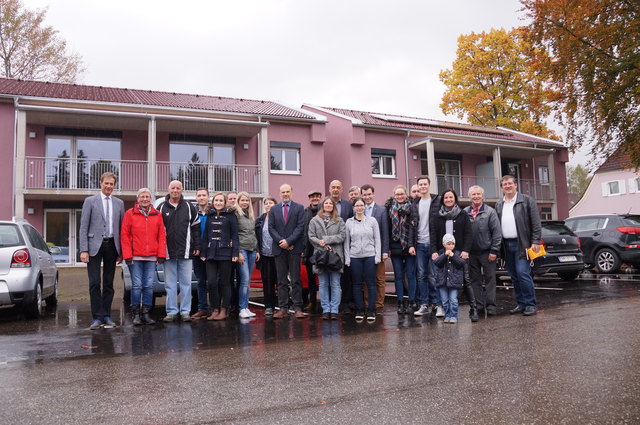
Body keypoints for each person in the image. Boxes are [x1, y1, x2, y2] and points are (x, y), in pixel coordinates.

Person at [79, 171, 124, 330]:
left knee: (109, 283)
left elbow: (121, 228)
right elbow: (83, 226)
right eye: (106, 183)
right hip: (94, 246)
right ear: (101, 183)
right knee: (94, 282)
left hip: (112, 245)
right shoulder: (90, 201)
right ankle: (97, 317)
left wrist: (121, 252)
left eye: (112, 184)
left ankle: (106, 315)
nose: (109, 186)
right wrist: (83, 249)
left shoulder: (119, 203)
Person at [495, 175, 542, 316]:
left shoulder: (527, 201)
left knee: (523, 273)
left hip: (523, 244)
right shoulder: (499, 204)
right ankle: (521, 304)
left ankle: (530, 304)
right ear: (502, 188)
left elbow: (535, 223)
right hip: (506, 245)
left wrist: (535, 241)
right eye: (504, 184)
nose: (507, 186)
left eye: (510, 183)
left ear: (516, 185)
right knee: (514, 276)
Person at [120, 188, 166, 326]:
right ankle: (136, 314)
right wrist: (127, 255)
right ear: (137, 199)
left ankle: (146, 313)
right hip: (135, 258)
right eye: (142, 197)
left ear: (151, 199)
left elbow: (161, 236)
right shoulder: (130, 213)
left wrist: (161, 255)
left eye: (147, 196)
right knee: (137, 285)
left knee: (148, 285)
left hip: (152, 257)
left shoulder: (157, 214)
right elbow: (125, 235)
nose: (145, 199)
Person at [430, 188, 477, 322]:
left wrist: (466, 250)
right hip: (442, 253)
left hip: (460, 253)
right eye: (446, 198)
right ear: (442, 200)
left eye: (451, 197)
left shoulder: (462, 215)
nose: (448, 200)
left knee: (466, 281)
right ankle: (447, 312)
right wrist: (434, 251)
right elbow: (433, 236)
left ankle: (473, 308)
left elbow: (469, 234)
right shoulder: (437, 216)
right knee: (443, 280)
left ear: (455, 199)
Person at [157, 180, 201, 322]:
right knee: (169, 284)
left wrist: (197, 246)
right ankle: (171, 312)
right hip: (168, 253)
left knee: (186, 284)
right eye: (172, 188)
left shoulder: (189, 207)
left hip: (186, 252)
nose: (175, 190)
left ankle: (185, 312)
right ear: (168, 189)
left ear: (182, 190)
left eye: (178, 188)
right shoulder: (161, 207)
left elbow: (196, 228)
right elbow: (156, 230)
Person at [269, 184, 306, 319]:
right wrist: (282, 242)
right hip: (279, 249)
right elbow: (271, 228)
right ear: (279, 193)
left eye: (287, 191)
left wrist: (289, 242)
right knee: (281, 280)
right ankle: (283, 308)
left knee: (296, 279)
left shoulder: (299, 208)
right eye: (283, 192)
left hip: (294, 249)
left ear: (292, 192)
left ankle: (297, 308)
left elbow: (300, 227)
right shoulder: (273, 209)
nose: (285, 194)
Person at [464, 185, 502, 316]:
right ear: (469, 197)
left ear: (483, 196)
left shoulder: (490, 212)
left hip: (487, 252)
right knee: (474, 281)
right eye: (473, 194)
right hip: (471, 254)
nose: (476, 197)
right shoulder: (465, 212)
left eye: (478, 194)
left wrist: (494, 251)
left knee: (490, 280)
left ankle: (491, 306)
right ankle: (478, 306)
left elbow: (497, 233)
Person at [201, 192, 239, 321]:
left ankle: (224, 309)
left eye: (220, 201)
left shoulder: (231, 216)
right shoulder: (210, 215)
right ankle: (215, 309)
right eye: (216, 200)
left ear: (224, 202)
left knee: (225, 282)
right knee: (211, 282)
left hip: (226, 253)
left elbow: (235, 236)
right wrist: (203, 253)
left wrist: (235, 253)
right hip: (211, 253)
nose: (218, 203)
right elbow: (206, 235)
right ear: (213, 202)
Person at [308, 197, 346, 320]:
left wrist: (327, 240)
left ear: (333, 207)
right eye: (326, 203)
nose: (328, 205)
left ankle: (334, 309)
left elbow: (342, 236)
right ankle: (325, 309)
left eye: (330, 203)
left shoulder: (339, 220)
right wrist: (321, 242)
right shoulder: (314, 220)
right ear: (322, 206)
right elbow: (311, 236)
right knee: (323, 284)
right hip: (320, 256)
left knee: (335, 284)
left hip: (335, 256)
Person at [410, 176, 443, 317]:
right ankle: (424, 304)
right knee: (421, 275)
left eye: (425, 184)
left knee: (435, 275)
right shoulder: (414, 203)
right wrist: (411, 245)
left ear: (429, 185)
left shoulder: (437, 200)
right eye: (420, 184)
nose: (423, 186)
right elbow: (412, 226)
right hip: (420, 244)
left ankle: (438, 304)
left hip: (434, 244)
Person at [344, 197, 381, 322]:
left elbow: (377, 239)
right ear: (354, 208)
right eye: (357, 206)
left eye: (361, 205)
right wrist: (347, 258)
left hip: (370, 256)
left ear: (365, 206)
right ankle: (360, 310)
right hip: (355, 257)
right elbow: (346, 242)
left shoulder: (372, 221)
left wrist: (377, 256)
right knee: (356, 284)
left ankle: (371, 310)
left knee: (371, 284)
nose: (359, 208)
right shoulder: (349, 222)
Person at [385, 185, 417, 314]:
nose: (399, 196)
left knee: (410, 275)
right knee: (398, 276)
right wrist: (387, 248)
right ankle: (400, 302)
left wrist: (412, 245)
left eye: (401, 194)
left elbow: (414, 228)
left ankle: (411, 301)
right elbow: (386, 229)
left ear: (406, 194)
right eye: (397, 194)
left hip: (409, 246)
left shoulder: (412, 207)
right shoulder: (389, 208)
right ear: (394, 195)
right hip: (395, 246)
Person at [361, 184, 389, 314]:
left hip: (378, 251)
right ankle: (367, 303)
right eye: (364, 195)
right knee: (367, 279)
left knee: (379, 279)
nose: (367, 197)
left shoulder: (382, 210)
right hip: (364, 252)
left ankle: (379, 304)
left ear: (373, 194)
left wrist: (384, 251)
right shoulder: (359, 209)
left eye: (369, 194)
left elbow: (385, 232)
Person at [329, 179, 354, 312]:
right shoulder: (324, 204)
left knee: (346, 275)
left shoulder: (348, 205)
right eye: (333, 187)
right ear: (329, 189)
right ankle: (333, 304)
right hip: (330, 246)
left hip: (345, 245)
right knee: (331, 276)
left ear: (342, 189)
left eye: (338, 187)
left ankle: (346, 302)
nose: (335, 189)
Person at [433, 234, 466, 324]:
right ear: (444, 245)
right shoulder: (441, 253)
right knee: (445, 300)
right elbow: (437, 262)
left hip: (454, 282)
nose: (451, 246)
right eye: (448, 244)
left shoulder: (458, 253)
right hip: (442, 282)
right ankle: (447, 315)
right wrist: (444, 255)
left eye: (452, 244)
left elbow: (461, 263)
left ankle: (454, 315)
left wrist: (453, 256)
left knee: (453, 300)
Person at [235, 191, 258, 319]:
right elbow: (234, 234)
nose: (244, 202)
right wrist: (237, 252)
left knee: (248, 281)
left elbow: (253, 234)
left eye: (246, 200)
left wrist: (257, 250)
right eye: (242, 200)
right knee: (244, 280)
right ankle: (242, 308)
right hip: (242, 250)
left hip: (252, 250)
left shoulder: (250, 215)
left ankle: (246, 307)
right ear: (238, 201)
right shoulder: (236, 215)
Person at [255, 197, 278, 315]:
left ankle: (282, 306)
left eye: (271, 203)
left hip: (278, 255)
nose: (268, 205)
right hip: (264, 255)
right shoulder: (260, 219)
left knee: (279, 281)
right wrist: (257, 250)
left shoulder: (279, 218)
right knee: (267, 281)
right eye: (266, 203)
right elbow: (255, 237)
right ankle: (269, 306)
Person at [191, 188, 211, 319]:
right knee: (201, 281)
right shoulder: (193, 212)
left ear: (208, 197)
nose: (202, 197)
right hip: (197, 252)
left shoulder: (214, 211)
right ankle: (202, 308)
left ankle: (216, 308)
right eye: (199, 195)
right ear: (196, 198)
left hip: (212, 252)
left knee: (215, 281)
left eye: (204, 195)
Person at [302, 189, 322, 313]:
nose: (315, 198)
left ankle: (326, 302)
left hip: (322, 249)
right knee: (310, 278)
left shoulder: (324, 211)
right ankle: (312, 301)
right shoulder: (305, 213)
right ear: (309, 198)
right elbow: (303, 232)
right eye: (312, 196)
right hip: (309, 250)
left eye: (317, 196)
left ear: (320, 197)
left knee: (324, 277)